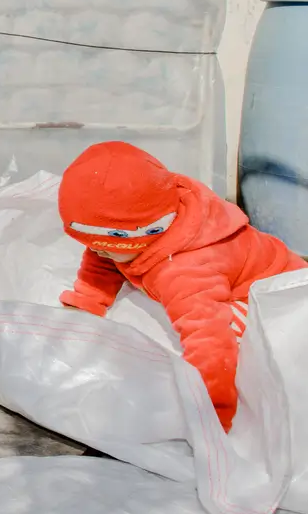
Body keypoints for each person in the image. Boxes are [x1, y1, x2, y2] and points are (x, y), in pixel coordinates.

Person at [58, 141, 306, 431]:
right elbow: (104, 257)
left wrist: (211, 414)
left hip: (281, 298)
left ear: (142, 234)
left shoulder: (185, 272)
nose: (97, 252)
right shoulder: (133, 232)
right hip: (227, 281)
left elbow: (210, 342)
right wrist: (88, 300)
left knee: (243, 341)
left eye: (105, 247)